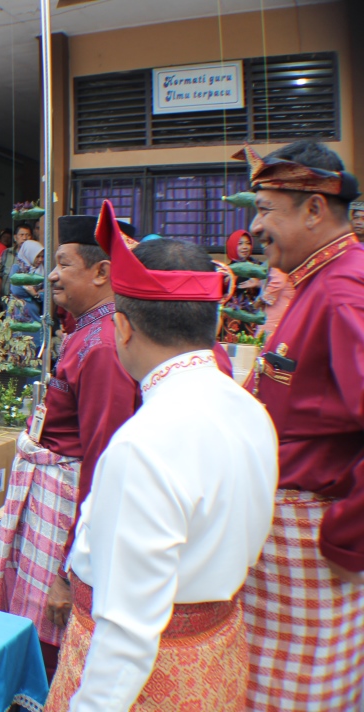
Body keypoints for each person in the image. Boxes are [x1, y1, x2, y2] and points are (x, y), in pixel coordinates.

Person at [45, 202, 277, 711]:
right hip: (216, 656)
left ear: (123, 329)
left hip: (151, 679)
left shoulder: (143, 445)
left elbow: (127, 634)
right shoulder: (251, 410)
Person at [0, 214, 141, 681]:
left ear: (101, 272)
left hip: (66, 516)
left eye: (63, 263)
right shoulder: (84, 329)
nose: (50, 274)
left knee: (51, 634)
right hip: (48, 497)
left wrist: (71, 569)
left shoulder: (105, 345)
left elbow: (103, 463)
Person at [236, 140, 364, 710]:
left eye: (266, 208)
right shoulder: (317, 281)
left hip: (315, 541)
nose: (255, 225)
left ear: (314, 209)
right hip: (289, 534)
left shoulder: (342, 293)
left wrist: (345, 534)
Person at [0, 224, 35, 302]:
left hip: (26, 301)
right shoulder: (7, 253)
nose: (24, 238)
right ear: (15, 237)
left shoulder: (35, 256)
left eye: (27, 235)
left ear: (31, 238)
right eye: (21, 235)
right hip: (6, 299)